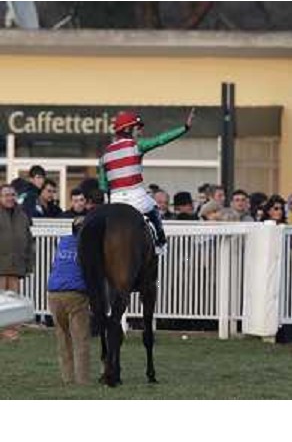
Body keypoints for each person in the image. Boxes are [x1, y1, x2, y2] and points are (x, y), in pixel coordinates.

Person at [98, 108, 195, 251]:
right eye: (138, 128)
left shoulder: (105, 154)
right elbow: (161, 140)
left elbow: (103, 186)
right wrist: (184, 128)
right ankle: (160, 241)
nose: (140, 132)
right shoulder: (137, 145)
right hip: (137, 197)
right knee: (154, 207)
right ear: (128, 129)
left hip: (115, 200)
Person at [47, 217, 90, 385]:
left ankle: (67, 377)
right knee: (80, 338)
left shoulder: (63, 242)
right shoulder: (89, 245)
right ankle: (82, 379)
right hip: (76, 294)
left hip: (54, 293)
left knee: (63, 336)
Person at [0, 184, 34, 341]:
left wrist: (28, 263)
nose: (9, 198)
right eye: (6, 195)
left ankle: (11, 332)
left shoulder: (22, 215)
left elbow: (29, 240)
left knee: (13, 301)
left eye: (12, 194)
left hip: (16, 265)